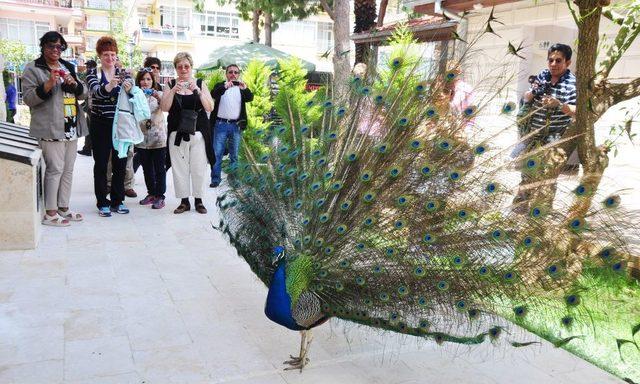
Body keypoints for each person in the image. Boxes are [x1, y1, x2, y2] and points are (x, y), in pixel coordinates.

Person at [21, 31, 88, 226]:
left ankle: (63, 208)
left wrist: (74, 84)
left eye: (60, 47)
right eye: (52, 46)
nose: (56, 50)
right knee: (55, 169)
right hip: (50, 127)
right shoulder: (33, 69)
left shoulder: (67, 66)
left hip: (71, 125)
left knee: (68, 169)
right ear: (43, 47)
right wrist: (49, 84)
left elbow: (83, 94)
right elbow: (28, 99)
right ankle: (50, 213)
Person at [160, 52, 214, 214]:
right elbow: (164, 108)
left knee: (199, 168)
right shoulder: (170, 84)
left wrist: (197, 90)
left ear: (191, 67)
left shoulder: (200, 83)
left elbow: (209, 107)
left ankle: (199, 200)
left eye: (186, 66)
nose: (183, 69)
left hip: (198, 134)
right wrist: (172, 91)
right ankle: (184, 201)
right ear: (175, 68)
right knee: (179, 168)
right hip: (177, 135)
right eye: (180, 66)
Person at [86, 36, 132, 217]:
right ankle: (102, 202)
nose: (110, 58)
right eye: (106, 54)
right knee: (101, 164)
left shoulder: (124, 73)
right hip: (100, 123)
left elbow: (131, 94)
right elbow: (96, 93)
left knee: (120, 163)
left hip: (120, 123)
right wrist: (109, 86)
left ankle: (118, 200)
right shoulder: (93, 74)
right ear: (99, 55)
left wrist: (129, 87)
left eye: (113, 54)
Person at [209, 64, 253, 188]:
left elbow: (250, 98)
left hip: (236, 126)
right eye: (230, 72)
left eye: (236, 72)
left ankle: (233, 180)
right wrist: (224, 87)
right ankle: (215, 179)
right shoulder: (220, 85)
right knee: (217, 154)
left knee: (234, 155)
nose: (233, 74)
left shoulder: (241, 88)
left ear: (238, 74)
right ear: (226, 74)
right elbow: (213, 94)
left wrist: (245, 89)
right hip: (220, 124)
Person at [135, 68, 167, 209]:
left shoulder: (159, 94)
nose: (145, 82)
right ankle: (151, 193)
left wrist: (157, 96)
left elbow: (166, 108)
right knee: (147, 168)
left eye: (148, 79)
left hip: (158, 138)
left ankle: (160, 196)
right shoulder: (135, 95)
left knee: (160, 169)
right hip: (142, 139)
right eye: (143, 79)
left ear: (153, 81)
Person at [77, 59, 96, 156]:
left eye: (89, 66)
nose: (87, 68)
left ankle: (87, 148)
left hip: (92, 107)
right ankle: (89, 148)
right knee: (91, 128)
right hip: (91, 106)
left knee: (89, 128)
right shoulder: (95, 75)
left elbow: (89, 92)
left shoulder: (91, 76)